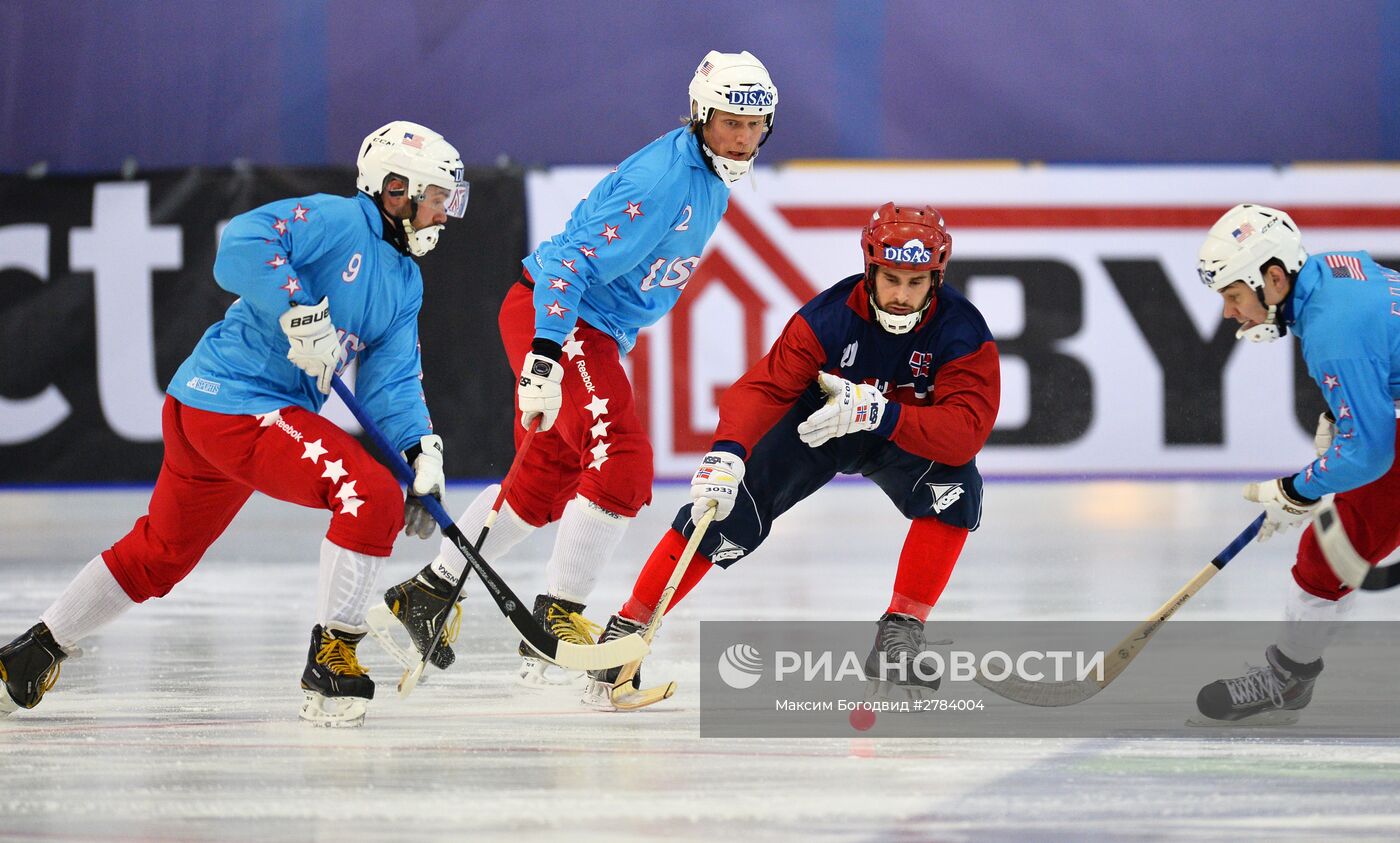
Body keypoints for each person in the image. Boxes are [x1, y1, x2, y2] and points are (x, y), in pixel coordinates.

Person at [0, 121, 468, 727]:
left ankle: (31, 653)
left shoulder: (405, 281)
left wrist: (417, 449)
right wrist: (299, 310)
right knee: (367, 493)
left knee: (161, 554)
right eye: (437, 197)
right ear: (395, 188)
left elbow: (393, 381)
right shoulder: (336, 220)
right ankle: (333, 659)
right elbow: (242, 242)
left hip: (210, 408)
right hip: (236, 403)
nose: (445, 214)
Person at [377, 51, 779, 686]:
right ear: (701, 115)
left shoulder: (709, 176)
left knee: (543, 485)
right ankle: (556, 618)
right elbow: (568, 261)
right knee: (622, 461)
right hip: (562, 320)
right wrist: (546, 354)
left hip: (588, 329)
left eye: (758, 125)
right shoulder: (666, 181)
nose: (745, 137)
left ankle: (427, 594)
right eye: (732, 121)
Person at [582, 203, 1001, 708]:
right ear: (870, 269)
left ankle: (900, 633)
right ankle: (629, 627)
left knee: (956, 487)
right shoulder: (826, 318)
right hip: (816, 423)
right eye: (891, 279)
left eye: (916, 282)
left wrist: (881, 415)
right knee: (726, 509)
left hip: (899, 429)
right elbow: (761, 388)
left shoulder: (963, 331)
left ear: (937, 278)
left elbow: (964, 434)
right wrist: (727, 453)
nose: (900, 296)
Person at [1191, 204, 1400, 725]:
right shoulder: (1333, 270)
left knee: (1327, 557)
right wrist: (1350, 411)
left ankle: (1288, 679)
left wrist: (1298, 488)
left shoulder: (1333, 331)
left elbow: (1371, 453)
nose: (1228, 313)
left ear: (1274, 278)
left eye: (1233, 296)